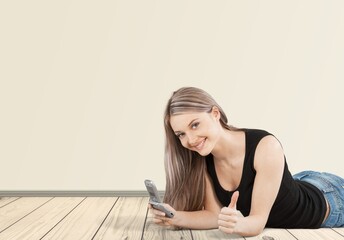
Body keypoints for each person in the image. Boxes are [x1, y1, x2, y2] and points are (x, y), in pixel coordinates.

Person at [149, 86, 344, 237]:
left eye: (195, 125)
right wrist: (175, 217)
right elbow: (213, 215)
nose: (190, 140)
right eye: (181, 134)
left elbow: (256, 223)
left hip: (331, 198)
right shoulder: (203, 160)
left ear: (215, 114)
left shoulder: (266, 147)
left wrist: (239, 224)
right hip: (299, 182)